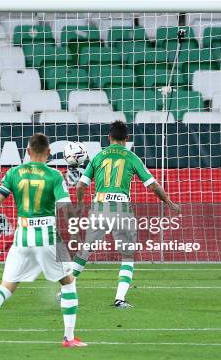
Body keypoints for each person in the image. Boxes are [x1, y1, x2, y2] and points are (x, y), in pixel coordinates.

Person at [0, 133, 87, 348]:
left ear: (28, 152)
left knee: (7, 286)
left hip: (21, 237)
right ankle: (69, 337)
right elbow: (66, 210)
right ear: (49, 153)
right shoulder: (55, 176)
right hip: (47, 236)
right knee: (68, 282)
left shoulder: (14, 173)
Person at [72, 120, 180, 309]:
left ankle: (66, 289)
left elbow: (80, 185)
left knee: (85, 250)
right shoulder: (132, 157)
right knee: (127, 256)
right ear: (127, 139)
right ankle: (119, 299)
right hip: (121, 210)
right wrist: (169, 202)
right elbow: (153, 185)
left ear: (109, 137)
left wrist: (81, 204)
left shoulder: (98, 157)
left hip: (99, 208)